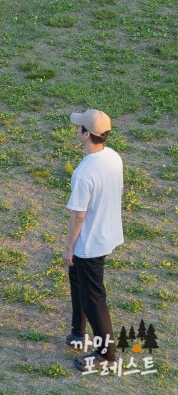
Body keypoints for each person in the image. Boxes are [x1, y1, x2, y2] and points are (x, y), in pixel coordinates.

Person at [63, 108, 124, 371]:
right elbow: (119, 191)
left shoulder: (83, 173)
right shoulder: (113, 157)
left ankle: (106, 356)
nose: (76, 130)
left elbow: (78, 216)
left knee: (94, 298)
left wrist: (68, 248)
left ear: (86, 134)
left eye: (79, 128)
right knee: (78, 282)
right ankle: (78, 333)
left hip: (89, 244)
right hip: (107, 233)